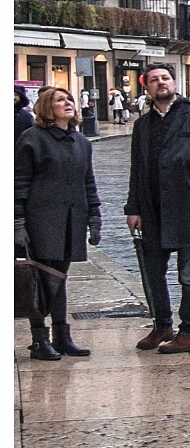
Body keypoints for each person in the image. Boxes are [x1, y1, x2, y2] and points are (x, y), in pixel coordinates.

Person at [123, 61, 190, 355]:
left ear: (175, 83)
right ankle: (161, 325)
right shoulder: (142, 125)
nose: (162, 83)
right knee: (152, 273)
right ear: (146, 85)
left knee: (189, 276)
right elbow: (137, 169)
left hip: (189, 208)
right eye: (155, 79)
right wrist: (132, 208)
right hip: (152, 209)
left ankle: (189, 332)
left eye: (166, 78)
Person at [16, 86, 102, 360]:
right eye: (59, 100)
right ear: (46, 107)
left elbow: (88, 182)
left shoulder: (81, 142)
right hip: (41, 220)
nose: (68, 103)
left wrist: (95, 217)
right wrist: (17, 224)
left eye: (70, 99)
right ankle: (40, 339)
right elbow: (19, 183)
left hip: (71, 220)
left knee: (60, 279)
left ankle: (62, 336)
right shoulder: (32, 138)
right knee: (40, 281)